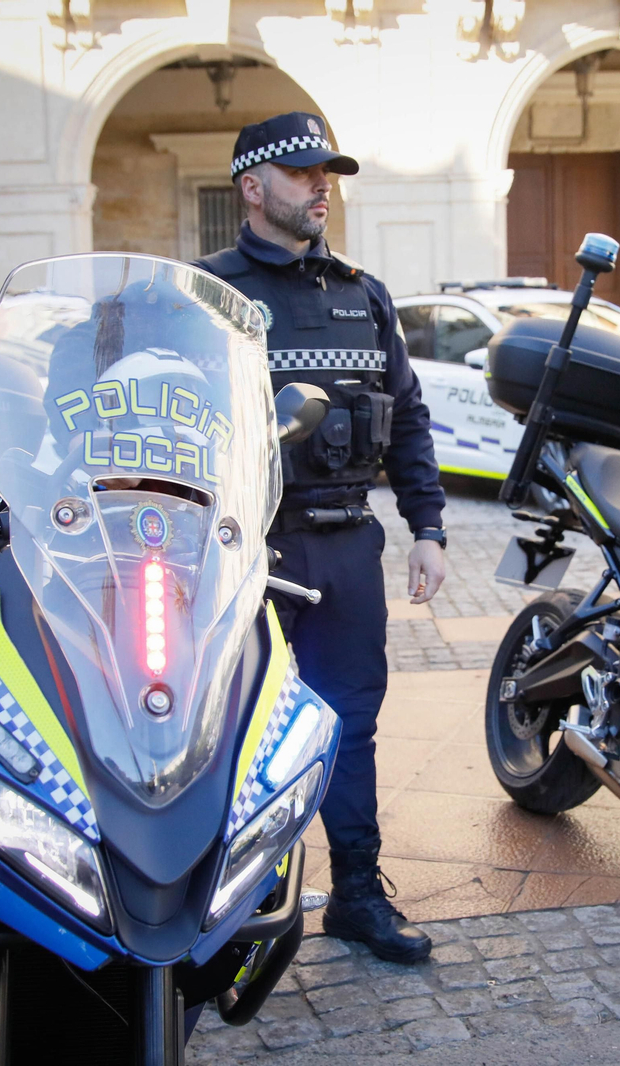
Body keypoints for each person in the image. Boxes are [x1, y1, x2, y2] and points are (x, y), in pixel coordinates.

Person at [194, 113, 447, 964]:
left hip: (348, 544)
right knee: (223, 726)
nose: (321, 187)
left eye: (327, 173)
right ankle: (216, 905)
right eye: (303, 174)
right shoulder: (205, 293)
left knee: (350, 724)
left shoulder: (362, 292)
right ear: (253, 188)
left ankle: (357, 895)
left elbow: (407, 417)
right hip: (246, 548)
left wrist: (429, 527)